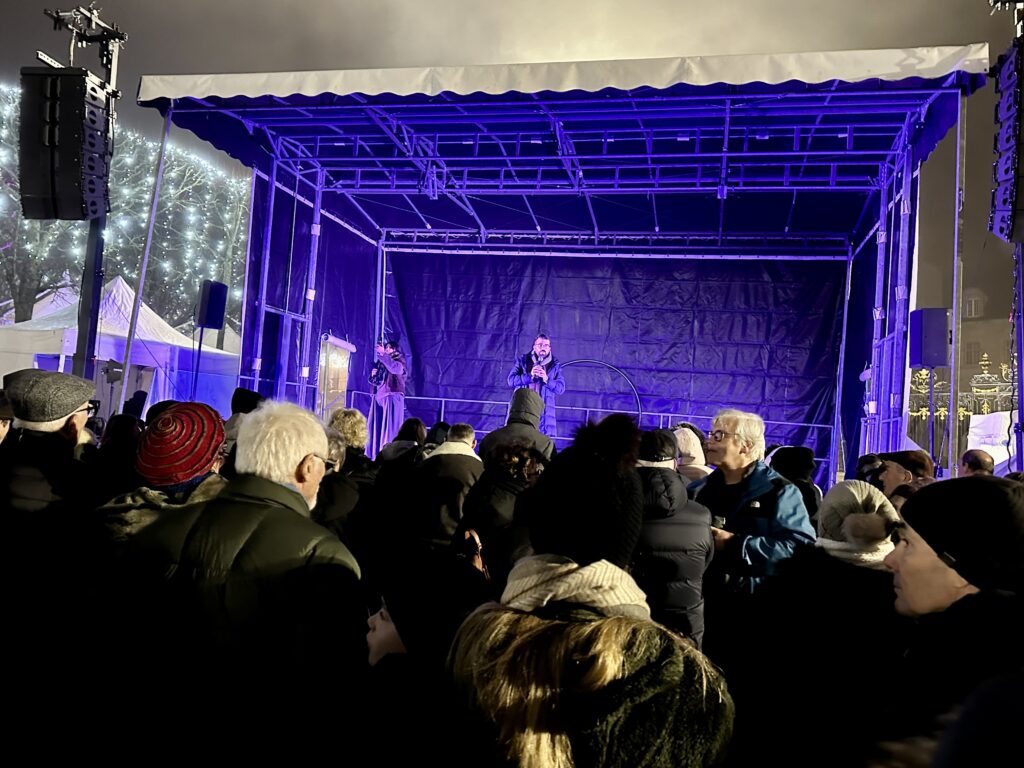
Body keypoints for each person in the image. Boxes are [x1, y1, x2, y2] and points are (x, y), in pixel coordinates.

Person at [506, 333, 565, 439]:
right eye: (540, 345)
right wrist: (530, 376)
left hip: (544, 414)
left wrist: (546, 379)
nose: (543, 348)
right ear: (534, 346)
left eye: (546, 345)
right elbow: (511, 380)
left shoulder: (555, 365)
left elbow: (560, 388)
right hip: (524, 409)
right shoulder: (523, 361)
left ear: (550, 348)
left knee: (541, 446)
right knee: (520, 442)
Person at [373, 337, 408, 446]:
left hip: (392, 395)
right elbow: (378, 381)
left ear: (395, 349)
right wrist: (373, 375)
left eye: (388, 348)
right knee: (379, 428)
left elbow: (396, 369)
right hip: (381, 396)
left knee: (391, 427)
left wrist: (383, 355)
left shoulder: (399, 360)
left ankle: (391, 449)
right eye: (385, 348)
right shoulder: (383, 362)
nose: (386, 350)